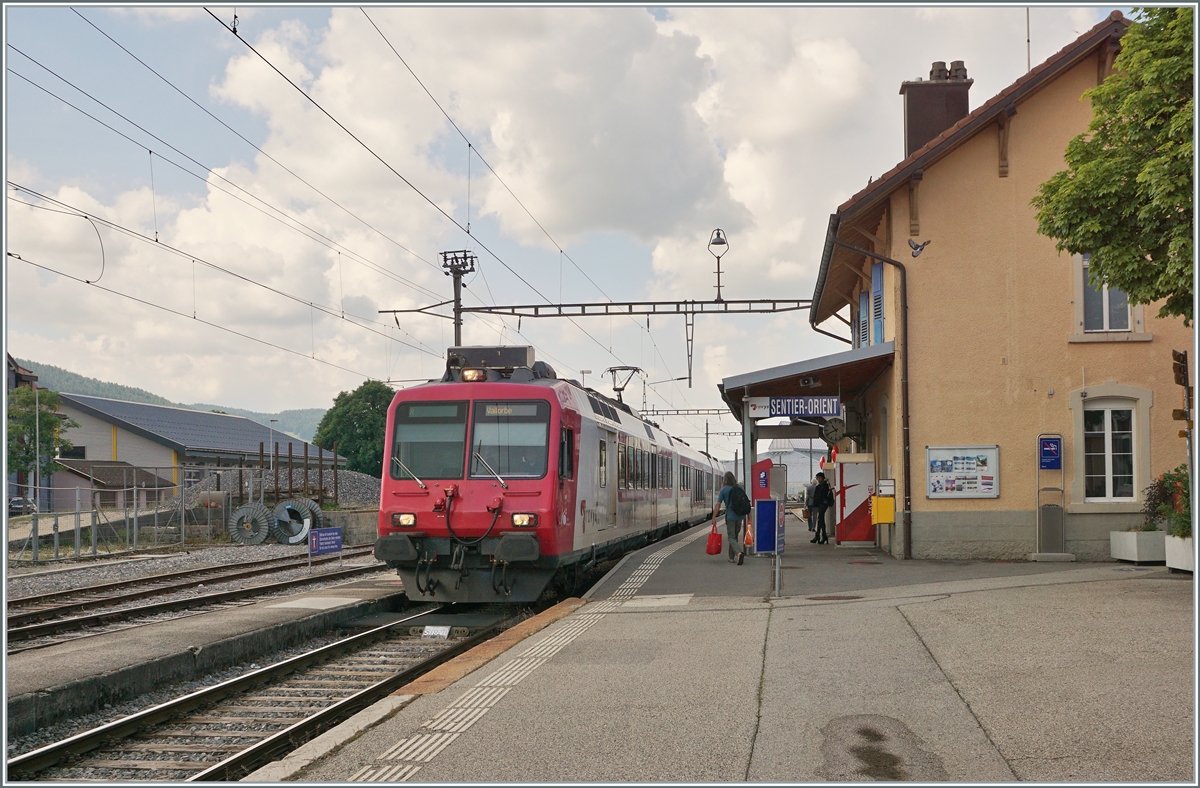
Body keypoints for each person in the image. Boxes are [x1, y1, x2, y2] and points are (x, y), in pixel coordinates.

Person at [713, 471, 748, 565]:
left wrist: (713, 517)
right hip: (740, 516)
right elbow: (745, 501)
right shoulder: (740, 488)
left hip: (730, 516)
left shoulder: (724, 490)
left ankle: (739, 553)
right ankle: (731, 557)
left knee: (731, 537)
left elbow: (718, 504)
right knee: (734, 536)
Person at [810, 471, 832, 545]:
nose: (818, 479)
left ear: (822, 478)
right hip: (820, 505)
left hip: (823, 504)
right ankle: (822, 536)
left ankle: (818, 536)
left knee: (820, 520)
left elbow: (821, 495)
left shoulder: (824, 485)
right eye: (817, 478)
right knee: (821, 521)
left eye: (819, 478)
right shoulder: (821, 485)